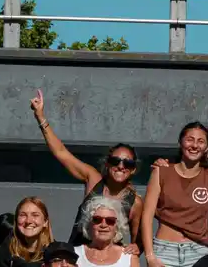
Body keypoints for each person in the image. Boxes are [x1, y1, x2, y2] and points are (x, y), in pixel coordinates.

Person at [30, 90, 144, 248]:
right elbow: (62, 152)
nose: (121, 166)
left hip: (108, 264)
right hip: (79, 258)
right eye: (115, 161)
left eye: (128, 163)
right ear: (107, 164)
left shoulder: (135, 202)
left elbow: (138, 241)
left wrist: (134, 250)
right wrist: (40, 117)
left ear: (132, 169)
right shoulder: (93, 179)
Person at [142, 123, 208, 267]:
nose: (195, 145)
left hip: (198, 251)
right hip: (165, 250)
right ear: (181, 142)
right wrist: (150, 256)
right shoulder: (161, 171)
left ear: (207, 147)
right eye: (190, 139)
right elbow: (146, 218)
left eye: (201, 141)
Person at [0, 196, 54, 267]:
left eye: (35, 215)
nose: (28, 221)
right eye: (23, 215)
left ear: (45, 222)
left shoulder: (55, 252)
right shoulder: (6, 251)